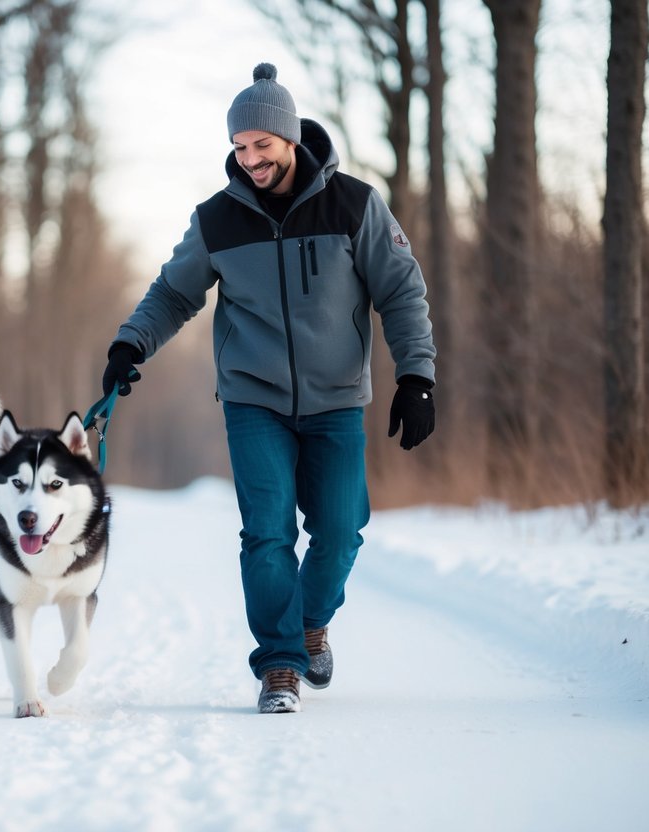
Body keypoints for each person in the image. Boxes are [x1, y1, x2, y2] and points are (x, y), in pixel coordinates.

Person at [100, 63, 436, 714]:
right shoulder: (218, 220)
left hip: (336, 397)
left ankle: (309, 627)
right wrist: (128, 343)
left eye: (261, 144)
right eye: (239, 147)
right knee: (266, 532)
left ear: (290, 140)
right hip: (253, 398)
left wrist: (416, 375)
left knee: (340, 531)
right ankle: (278, 667)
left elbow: (400, 292)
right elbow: (173, 293)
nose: (249, 159)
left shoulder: (355, 206)